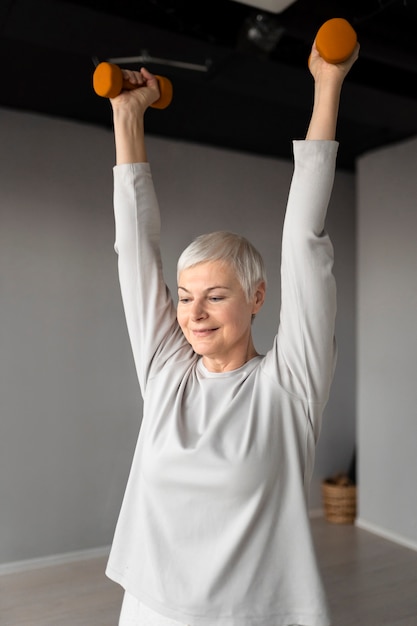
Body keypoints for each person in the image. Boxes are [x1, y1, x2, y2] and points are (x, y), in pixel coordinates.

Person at [105, 33, 359, 626]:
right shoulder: (167, 373)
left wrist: (327, 84)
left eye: (216, 297)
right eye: (186, 297)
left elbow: (304, 242)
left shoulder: (288, 387)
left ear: (257, 299)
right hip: (149, 607)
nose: (193, 314)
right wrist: (127, 117)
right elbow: (134, 254)